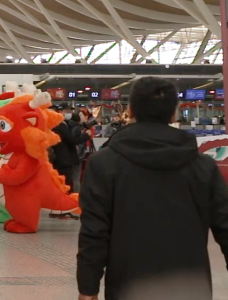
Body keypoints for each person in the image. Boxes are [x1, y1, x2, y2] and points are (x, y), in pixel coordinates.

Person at [77, 77, 228, 300]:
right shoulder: (203, 166)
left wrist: (88, 288)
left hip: (128, 287)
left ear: (131, 110)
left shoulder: (103, 164)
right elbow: (225, 225)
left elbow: (94, 231)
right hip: (191, 287)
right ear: (174, 113)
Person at [48, 108, 89, 220]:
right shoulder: (59, 125)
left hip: (60, 159)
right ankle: (63, 210)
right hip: (63, 160)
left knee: (60, 185)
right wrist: (86, 135)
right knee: (65, 185)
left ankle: (57, 210)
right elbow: (72, 140)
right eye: (66, 111)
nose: (69, 114)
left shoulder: (59, 125)